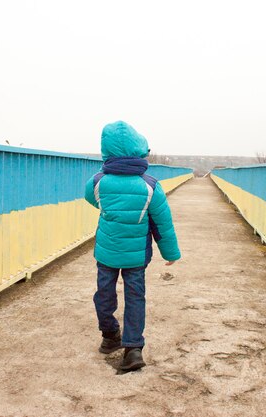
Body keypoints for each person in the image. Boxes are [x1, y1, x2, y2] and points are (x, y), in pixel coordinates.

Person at [85, 121, 181, 371]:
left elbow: (92, 200)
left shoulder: (97, 182)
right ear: (139, 151)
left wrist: (112, 210)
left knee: (104, 294)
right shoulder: (150, 186)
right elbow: (162, 222)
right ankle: (133, 349)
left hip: (106, 253)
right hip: (137, 256)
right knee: (135, 296)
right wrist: (170, 253)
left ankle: (109, 336)